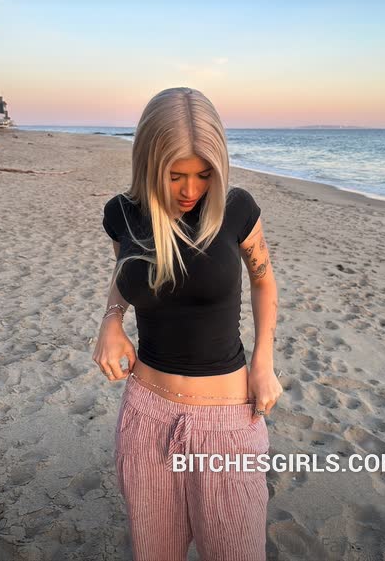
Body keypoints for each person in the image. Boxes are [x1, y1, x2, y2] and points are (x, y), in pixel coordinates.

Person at [92, 87, 282, 561]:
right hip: (145, 416)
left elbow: (263, 282)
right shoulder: (122, 215)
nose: (191, 190)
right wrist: (111, 322)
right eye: (175, 175)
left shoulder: (236, 209)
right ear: (148, 163)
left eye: (204, 174)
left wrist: (263, 363)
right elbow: (126, 273)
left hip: (227, 424)